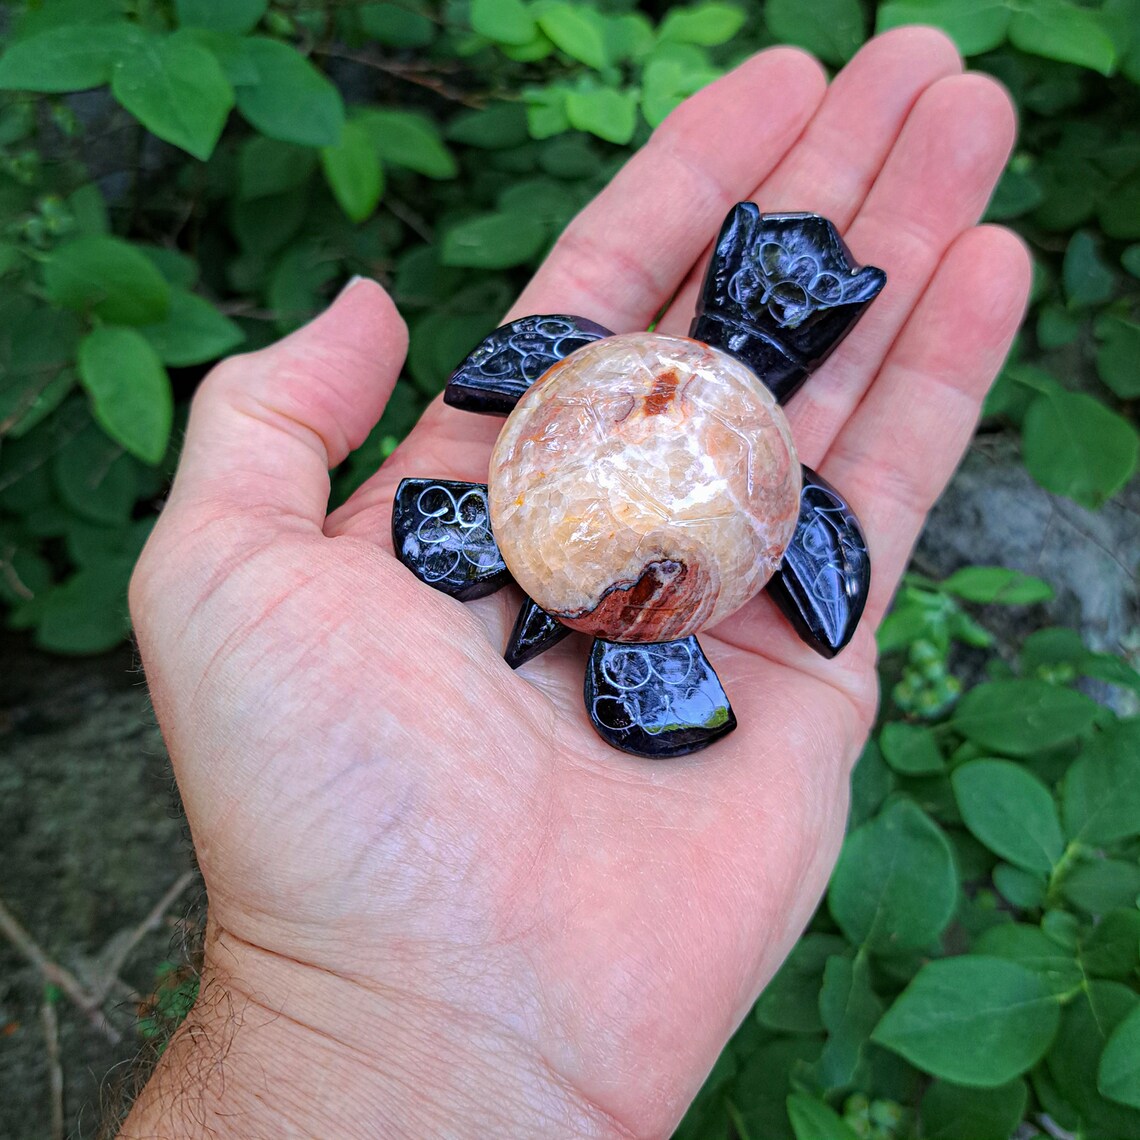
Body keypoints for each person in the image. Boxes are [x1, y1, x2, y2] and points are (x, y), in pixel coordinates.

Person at [120, 26, 1028, 1138]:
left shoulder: (696, 438)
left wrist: (343, 1028)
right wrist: (347, 1010)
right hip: (573, 537)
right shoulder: (626, 393)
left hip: (648, 565)